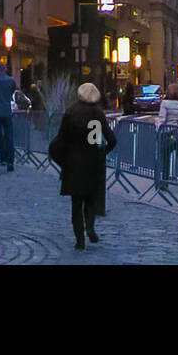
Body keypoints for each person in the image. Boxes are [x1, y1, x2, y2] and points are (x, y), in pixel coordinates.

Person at [48, 82, 117, 251]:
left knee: (76, 203)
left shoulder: (71, 112)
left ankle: (79, 239)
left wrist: (60, 158)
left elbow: (62, 139)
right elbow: (112, 140)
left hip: (74, 163)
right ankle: (91, 228)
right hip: (94, 162)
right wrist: (102, 153)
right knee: (91, 200)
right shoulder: (98, 114)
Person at [156, 84, 178, 181]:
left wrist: (157, 128)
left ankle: (164, 181)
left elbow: (162, 120)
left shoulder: (165, 103)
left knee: (165, 157)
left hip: (168, 134)